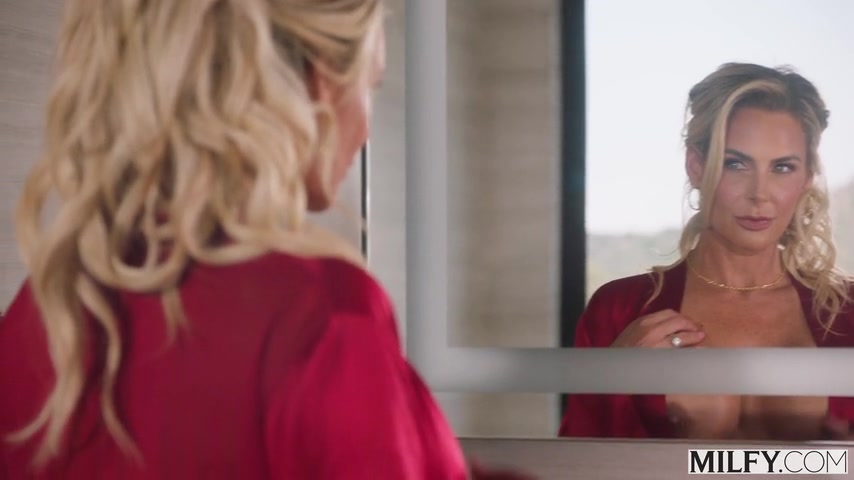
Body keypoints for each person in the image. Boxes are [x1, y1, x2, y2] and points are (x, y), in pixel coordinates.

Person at [0, 1, 534, 478]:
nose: (367, 129)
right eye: (371, 85)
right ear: (322, 82)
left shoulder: (46, 310)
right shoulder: (325, 316)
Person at [558, 63, 854, 441]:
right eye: (736, 164)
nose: (759, 194)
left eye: (782, 167)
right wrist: (613, 381)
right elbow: (577, 459)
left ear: (807, 177)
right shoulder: (620, 309)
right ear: (696, 166)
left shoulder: (848, 312)